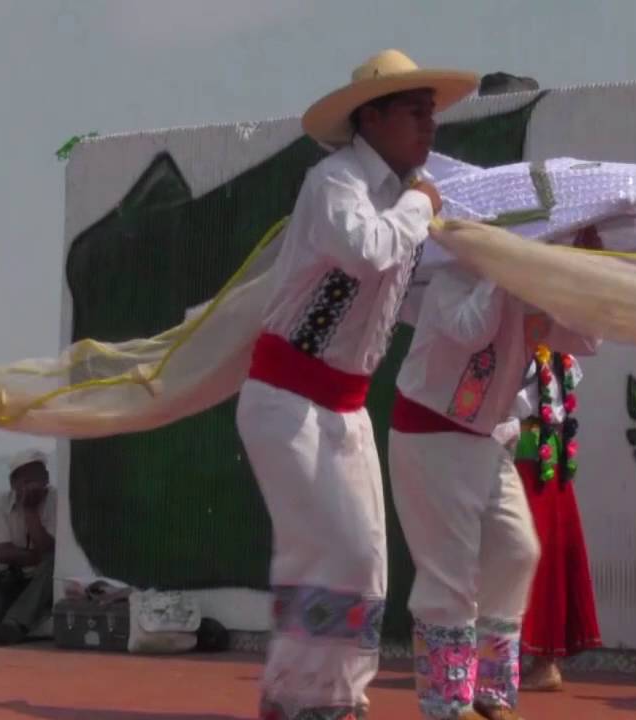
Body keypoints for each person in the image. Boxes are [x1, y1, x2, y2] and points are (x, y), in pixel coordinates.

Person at [235, 49, 477, 720]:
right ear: (371, 116)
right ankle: (307, 696)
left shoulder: (403, 198)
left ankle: (322, 696)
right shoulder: (336, 181)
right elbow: (367, 250)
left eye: (431, 112)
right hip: (287, 398)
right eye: (415, 111)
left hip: (343, 405)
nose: (430, 125)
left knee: (364, 558)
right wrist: (419, 207)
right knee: (330, 547)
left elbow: (405, 297)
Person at [388, 257, 597, 720]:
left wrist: (586, 273)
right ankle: (447, 704)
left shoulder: (526, 283)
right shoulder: (452, 280)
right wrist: (506, 274)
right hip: (430, 434)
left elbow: (583, 339)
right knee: (450, 571)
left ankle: (489, 689)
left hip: (485, 439)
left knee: (518, 550)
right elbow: (471, 330)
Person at [515, 226, 605, 692]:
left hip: (541, 462)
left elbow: (589, 339)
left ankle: (539, 661)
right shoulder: (516, 324)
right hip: (524, 457)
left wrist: (591, 272)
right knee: (523, 556)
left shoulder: (551, 338)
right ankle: (522, 660)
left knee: (540, 557)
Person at [0, 449, 57, 646]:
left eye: (39, 479)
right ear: (13, 484)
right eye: (27, 481)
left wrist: (30, 513)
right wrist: (37, 556)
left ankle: (14, 624)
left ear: (47, 478)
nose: (34, 486)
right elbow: (2, 555)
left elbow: (50, 550)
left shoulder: (56, 501)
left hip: (40, 585)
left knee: (52, 566)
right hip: (7, 579)